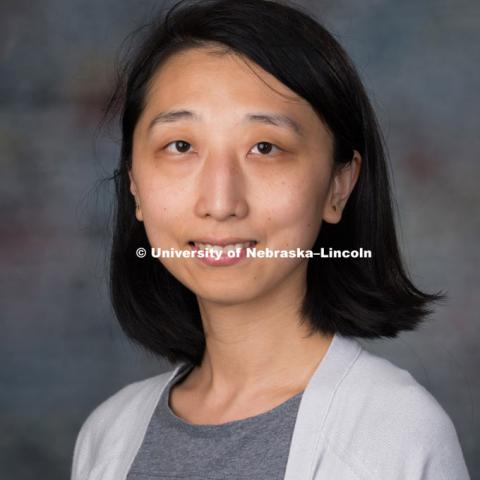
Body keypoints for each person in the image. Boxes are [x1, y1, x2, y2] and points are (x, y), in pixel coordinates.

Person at [70, 0, 470, 479]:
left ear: (339, 185)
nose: (220, 202)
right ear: (134, 183)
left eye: (265, 148)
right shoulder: (107, 434)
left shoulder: (395, 434)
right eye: (180, 146)